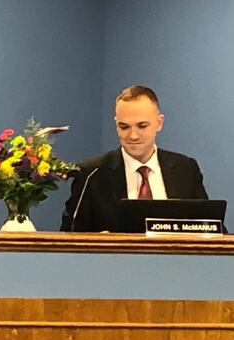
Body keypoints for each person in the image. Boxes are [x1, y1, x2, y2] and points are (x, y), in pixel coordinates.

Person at [60, 85, 208, 232]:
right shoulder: (91, 174)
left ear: (159, 123)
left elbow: (208, 229)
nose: (133, 136)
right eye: (124, 127)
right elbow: (70, 234)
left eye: (142, 126)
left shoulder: (185, 169)